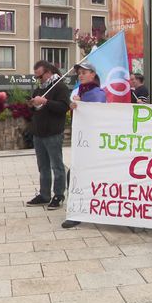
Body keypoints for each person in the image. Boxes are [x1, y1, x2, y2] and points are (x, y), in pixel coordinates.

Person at [62, 61, 106, 229]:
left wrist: (82, 106)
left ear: (93, 75)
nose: (80, 75)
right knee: (75, 176)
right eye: (79, 73)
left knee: (77, 176)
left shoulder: (96, 94)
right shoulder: (81, 92)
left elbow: (97, 115)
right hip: (82, 144)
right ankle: (79, 208)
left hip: (92, 144)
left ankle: (79, 210)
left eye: (84, 72)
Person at [26, 60, 71, 211]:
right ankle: (44, 194)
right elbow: (34, 111)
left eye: (40, 76)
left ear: (49, 72)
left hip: (53, 133)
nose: (39, 80)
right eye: (36, 77)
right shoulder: (39, 88)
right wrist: (32, 105)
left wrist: (45, 102)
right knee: (42, 166)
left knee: (57, 166)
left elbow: (64, 107)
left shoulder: (60, 87)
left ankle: (58, 195)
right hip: (38, 133)